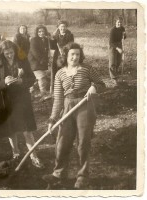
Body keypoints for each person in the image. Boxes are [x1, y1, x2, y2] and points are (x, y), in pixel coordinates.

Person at [42, 42, 106, 189]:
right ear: (66, 56)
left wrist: (94, 87)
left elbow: (102, 83)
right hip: (67, 106)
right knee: (62, 141)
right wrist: (52, 119)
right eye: (72, 54)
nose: (75, 57)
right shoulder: (60, 73)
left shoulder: (87, 69)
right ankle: (58, 174)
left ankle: (83, 176)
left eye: (77, 54)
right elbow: (58, 99)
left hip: (85, 106)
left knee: (83, 143)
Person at [0, 40, 44, 168]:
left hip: (21, 100)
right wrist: (3, 82)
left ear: (15, 51)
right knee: (11, 129)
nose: (9, 55)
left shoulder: (23, 62)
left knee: (26, 130)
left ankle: (33, 155)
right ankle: (16, 154)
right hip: (5, 100)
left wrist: (21, 81)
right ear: (2, 53)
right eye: (6, 53)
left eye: (11, 52)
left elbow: (32, 79)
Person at [28, 25, 51, 101]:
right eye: (39, 32)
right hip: (35, 62)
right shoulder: (34, 40)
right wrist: (42, 61)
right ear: (37, 32)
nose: (41, 33)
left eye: (43, 31)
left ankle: (31, 92)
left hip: (42, 61)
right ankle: (43, 94)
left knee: (38, 78)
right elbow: (35, 52)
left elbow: (47, 50)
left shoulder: (46, 39)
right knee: (41, 77)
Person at [108, 17, 126, 86]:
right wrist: (118, 48)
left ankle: (115, 73)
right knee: (112, 62)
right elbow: (111, 42)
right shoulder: (112, 30)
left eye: (120, 22)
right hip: (113, 46)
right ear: (116, 22)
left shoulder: (122, 28)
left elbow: (124, 37)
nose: (119, 23)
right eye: (118, 22)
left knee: (118, 61)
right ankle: (113, 78)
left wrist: (124, 35)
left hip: (119, 44)